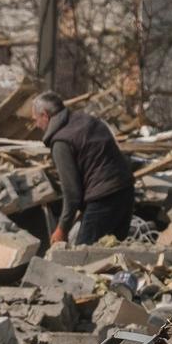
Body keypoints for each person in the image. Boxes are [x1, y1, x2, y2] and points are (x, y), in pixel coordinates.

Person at [34, 92, 134, 246]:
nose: (36, 125)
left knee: (82, 258)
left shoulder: (61, 142)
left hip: (103, 199)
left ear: (45, 115)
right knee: (113, 254)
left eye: (36, 119)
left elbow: (72, 193)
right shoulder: (87, 120)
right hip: (126, 190)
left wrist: (62, 228)